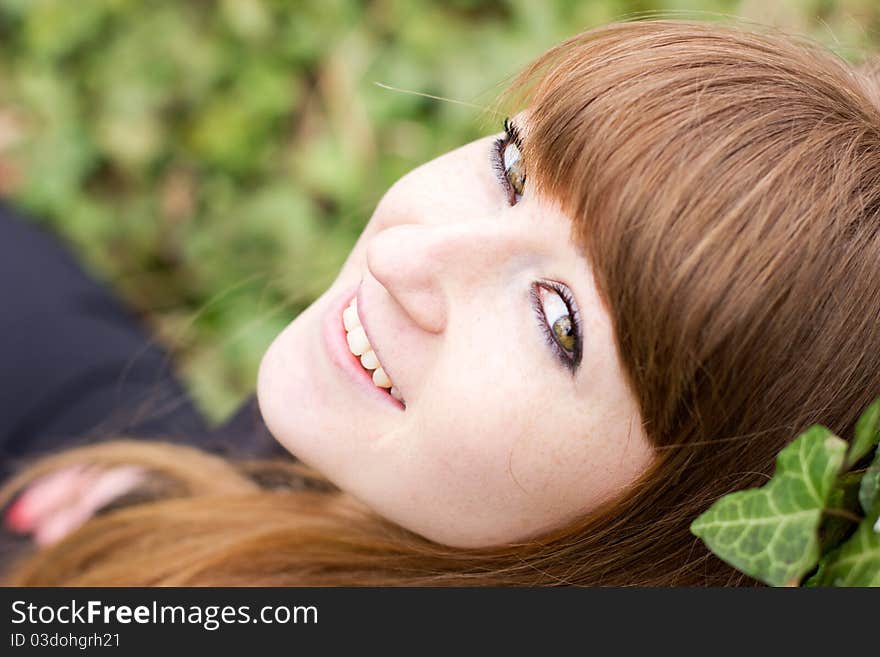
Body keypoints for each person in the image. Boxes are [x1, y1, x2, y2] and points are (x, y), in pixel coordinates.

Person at [1, 18, 879, 586]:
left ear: (700, 518)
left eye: (558, 320)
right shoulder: (414, 467)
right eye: (510, 166)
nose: (399, 254)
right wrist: (170, 496)